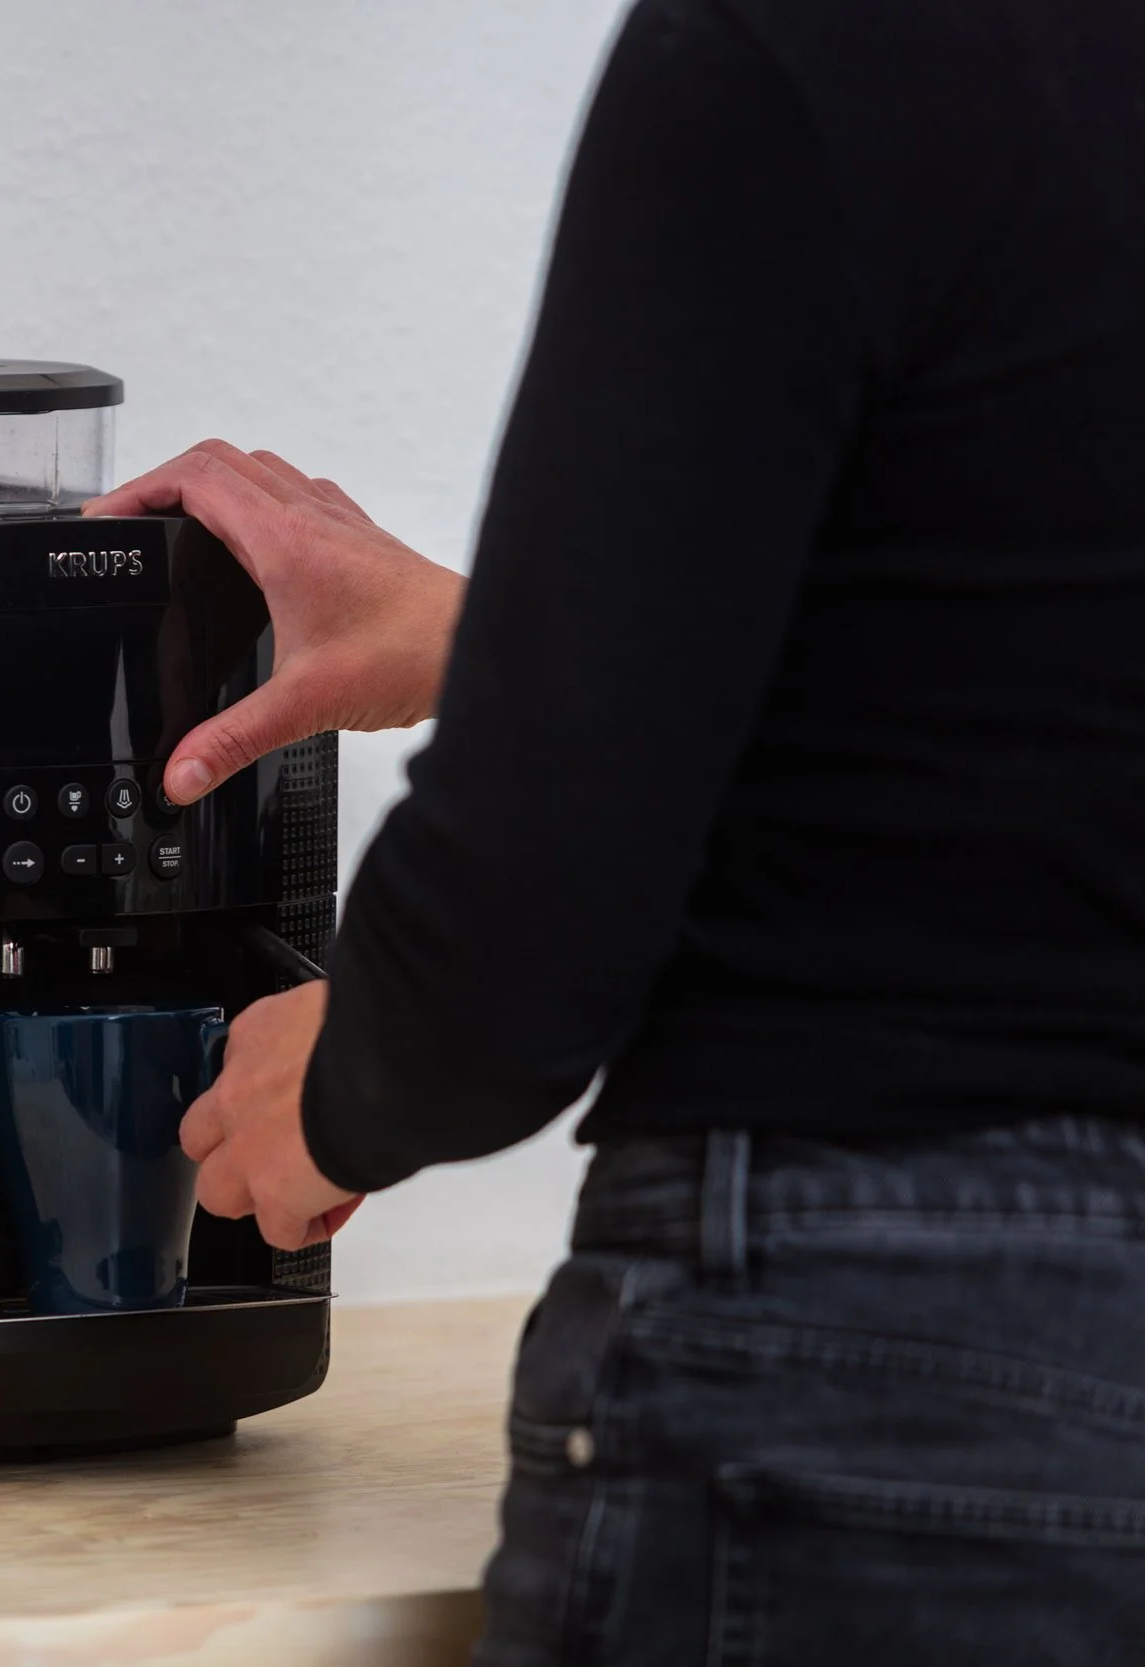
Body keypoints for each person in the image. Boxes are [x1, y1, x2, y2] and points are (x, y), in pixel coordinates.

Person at [86, 0, 1145, 1658]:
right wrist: (497, 640)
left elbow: (528, 932)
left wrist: (343, 1074)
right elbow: (1035, 697)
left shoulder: (786, 53)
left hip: (876, 1375)